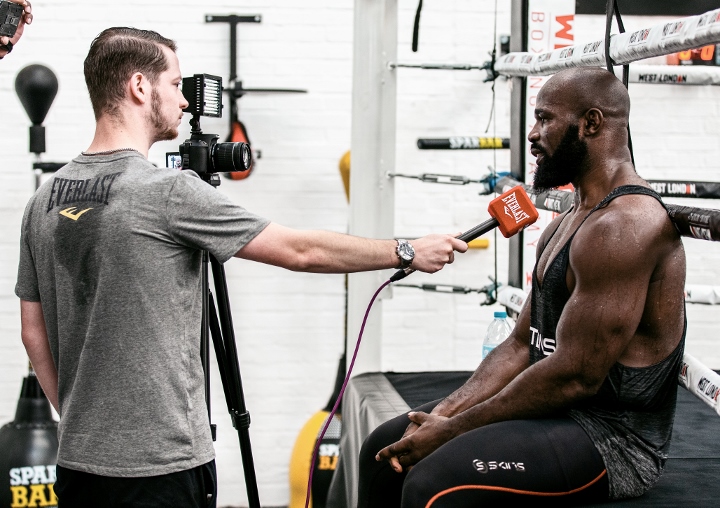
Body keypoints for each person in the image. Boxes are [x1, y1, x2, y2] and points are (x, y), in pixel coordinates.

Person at [15, 27, 467, 507]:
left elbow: (32, 331)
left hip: (78, 461)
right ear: (140, 87)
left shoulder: (42, 200)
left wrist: (75, 416)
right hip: (159, 466)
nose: (185, 103)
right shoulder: (167, 192)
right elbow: (299, 251)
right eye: (175, 85)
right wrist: (405, 251)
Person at [359, 67, 686, 507]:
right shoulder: (569, 219)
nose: (532, 134)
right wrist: (444, 412)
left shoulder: (623, 225)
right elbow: (519, 345)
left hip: (614, 439)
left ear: (591, 123)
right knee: (383, 446)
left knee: (431, 482)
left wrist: (453, 431)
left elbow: (575, 377)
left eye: (545, 119)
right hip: (557, 413)